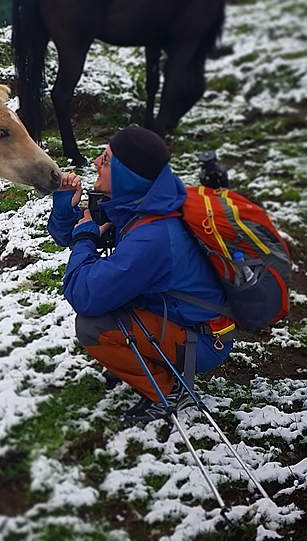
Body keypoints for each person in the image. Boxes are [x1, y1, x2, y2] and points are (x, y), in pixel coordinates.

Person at [47, 126, 234, 426]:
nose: (95, 161)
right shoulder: (143, 203)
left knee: (94, 327)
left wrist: (85, 240)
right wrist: (64, 210)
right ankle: (145, 360)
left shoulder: (153, 235)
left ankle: (168, 391)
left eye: (105, 159)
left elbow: (85, 295)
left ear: (126, 174)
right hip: (177, 317)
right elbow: (79, 235)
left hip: (202, 340)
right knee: (110, 300)